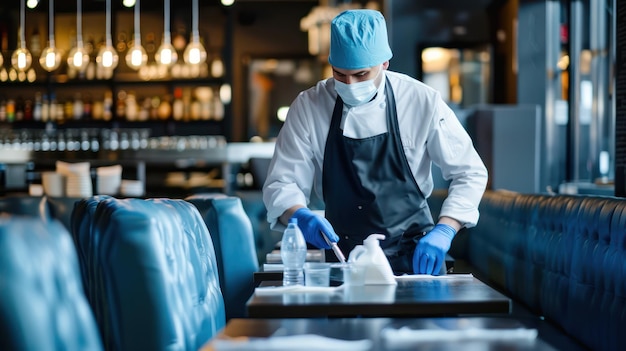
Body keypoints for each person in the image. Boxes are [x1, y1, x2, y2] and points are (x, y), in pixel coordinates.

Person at [262, 9, 488, 275]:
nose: (349, 84)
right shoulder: (309, 106)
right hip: (342, 261)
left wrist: (446, 228)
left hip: (415, 258)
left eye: (361, 75)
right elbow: (282, 182)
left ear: (384, 64)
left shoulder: (421, 100)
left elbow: (469, 172)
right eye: (340, 75)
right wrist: (299, 215)